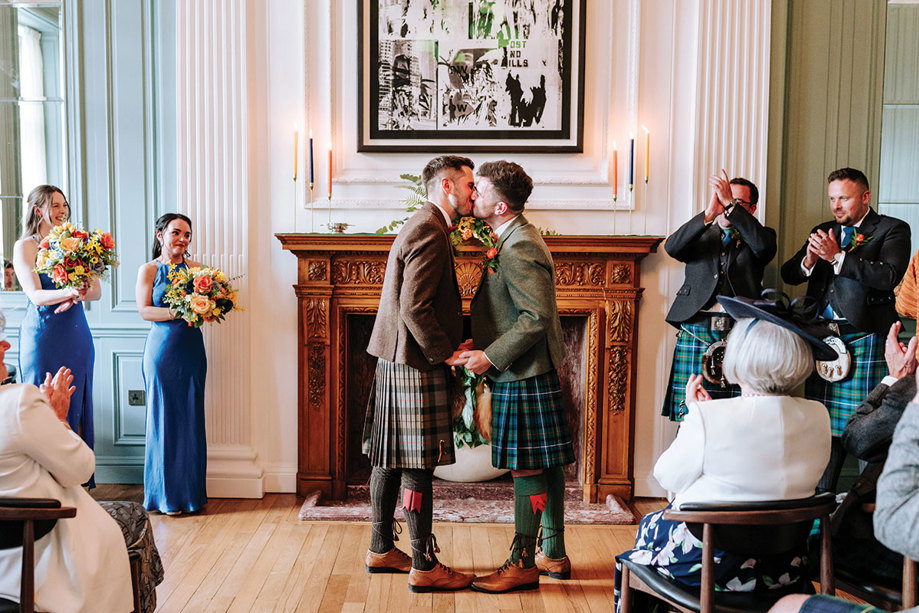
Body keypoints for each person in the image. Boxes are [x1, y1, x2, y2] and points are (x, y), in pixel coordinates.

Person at [614, 293, 834, 611]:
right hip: (787, 567)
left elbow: (665, 476)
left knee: (644, 536)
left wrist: (694, 418)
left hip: (715, 567)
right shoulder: (818, 414)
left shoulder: (709, 416)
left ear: (740, 357)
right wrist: (705, 422)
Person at [457, 160, 575, 593]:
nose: (473, 195)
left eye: (480, 189)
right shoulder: (511, 237)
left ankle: (523, 562)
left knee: (528, 468)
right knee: (546, 463)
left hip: (522, 371)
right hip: (529, 368)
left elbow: (535, 318)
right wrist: (479, 339)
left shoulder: (519, 244)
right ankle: (554, 552)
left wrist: (491, 356)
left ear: (501, 205)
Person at [361, 155, 476, 592]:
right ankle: (425, 565)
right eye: (468, 184)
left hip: (397, 358)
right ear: (446, 185)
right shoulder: (430, 229)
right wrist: (445, 353)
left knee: (389, 459)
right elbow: (413, 307)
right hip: (414, 361)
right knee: (417, 465)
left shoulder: (422, 222)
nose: (473, 192)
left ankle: (380, 548)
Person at [781, 167, 911, 493]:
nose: (836, 205)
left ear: (865, 197)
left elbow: (889, 276)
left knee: (870, 428)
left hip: (864, 337)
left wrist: (837, 257)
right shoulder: (823, 230)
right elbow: (790, 274)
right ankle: (819, 518)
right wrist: (809, 260)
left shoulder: (892, 230)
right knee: (823, 429)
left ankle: (865, 517)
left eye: (844, 198)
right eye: (832, 198)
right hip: (822, 339)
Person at [0, 333, 134, 611]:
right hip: (32, 561)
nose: (7, 345)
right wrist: (58, 418)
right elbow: (81, 469)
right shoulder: (18, 403)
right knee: (134, 519)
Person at [661, 172, 776, 421]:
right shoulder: (701, 233)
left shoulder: (760, 237)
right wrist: (708, 215)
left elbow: (765, 249)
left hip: (740, 331)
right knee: (691, 416)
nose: (727, 206)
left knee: (737, 414)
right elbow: (671, 247)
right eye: (723, 199)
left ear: (751, 208)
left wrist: (733, 208)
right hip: (696, 328)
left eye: (734, 201)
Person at [13, 185, 101, 486]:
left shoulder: (77, 245)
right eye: (56, 205)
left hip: (76, 334)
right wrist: (70, 291)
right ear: (39, 210)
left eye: (65, 205)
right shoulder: (25, 246)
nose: (63, 211)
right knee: (41, 404)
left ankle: (75, 484)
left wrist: (78, 292)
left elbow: (97, 292)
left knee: (74, 404)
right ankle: (41, 486)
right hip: (43, 336)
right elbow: (36, 295)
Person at [136, 213, 207, 515]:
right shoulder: (149, 270)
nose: (182, 239)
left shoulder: (198, 270)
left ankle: (190, 495)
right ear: (159, 235)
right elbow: (145, 311)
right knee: (162, 418)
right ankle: (162, 497)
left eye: (187, 235)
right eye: (176, 232)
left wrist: (206, 307)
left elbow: (207, 308)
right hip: (162, 351)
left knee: (191, 417)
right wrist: (180, 310)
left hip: (191, 349)